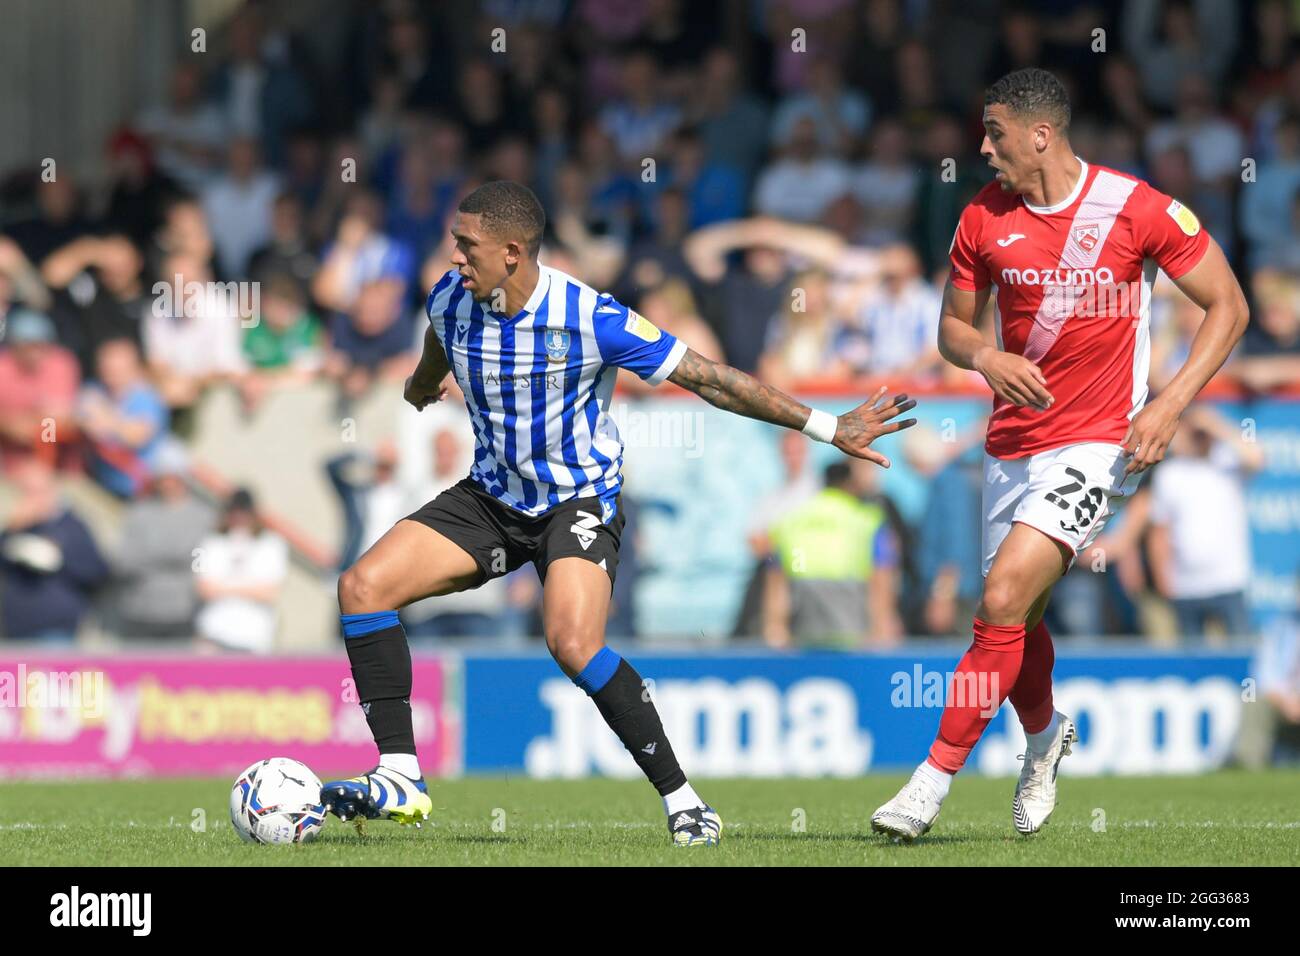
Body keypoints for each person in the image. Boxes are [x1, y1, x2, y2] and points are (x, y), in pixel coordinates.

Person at [322, 180, 916, 847]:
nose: (452, 257)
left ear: (513, 252)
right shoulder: (450, 299)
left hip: (576, 500)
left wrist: (831, 428)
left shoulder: (590, 317)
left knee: (572, 643)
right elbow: (440, 341)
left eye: (465, 245)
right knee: (361, 587)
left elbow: (713, 379)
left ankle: (685, 800)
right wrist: (423, 383)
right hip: (492, 496)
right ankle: (401, 772)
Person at [872, 69, 1248, 842]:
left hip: (1099, 443)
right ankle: (1044, 740)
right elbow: (952, 326)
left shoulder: (1135, 208)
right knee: (1020, 617)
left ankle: (927, 784)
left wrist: (1169, 404)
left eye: (996, 132)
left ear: (1040, 134)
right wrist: (985, 357)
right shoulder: (982, 216)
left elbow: (1230, 304)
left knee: (1003, 600)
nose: (983, 147)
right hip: (1012, 446)